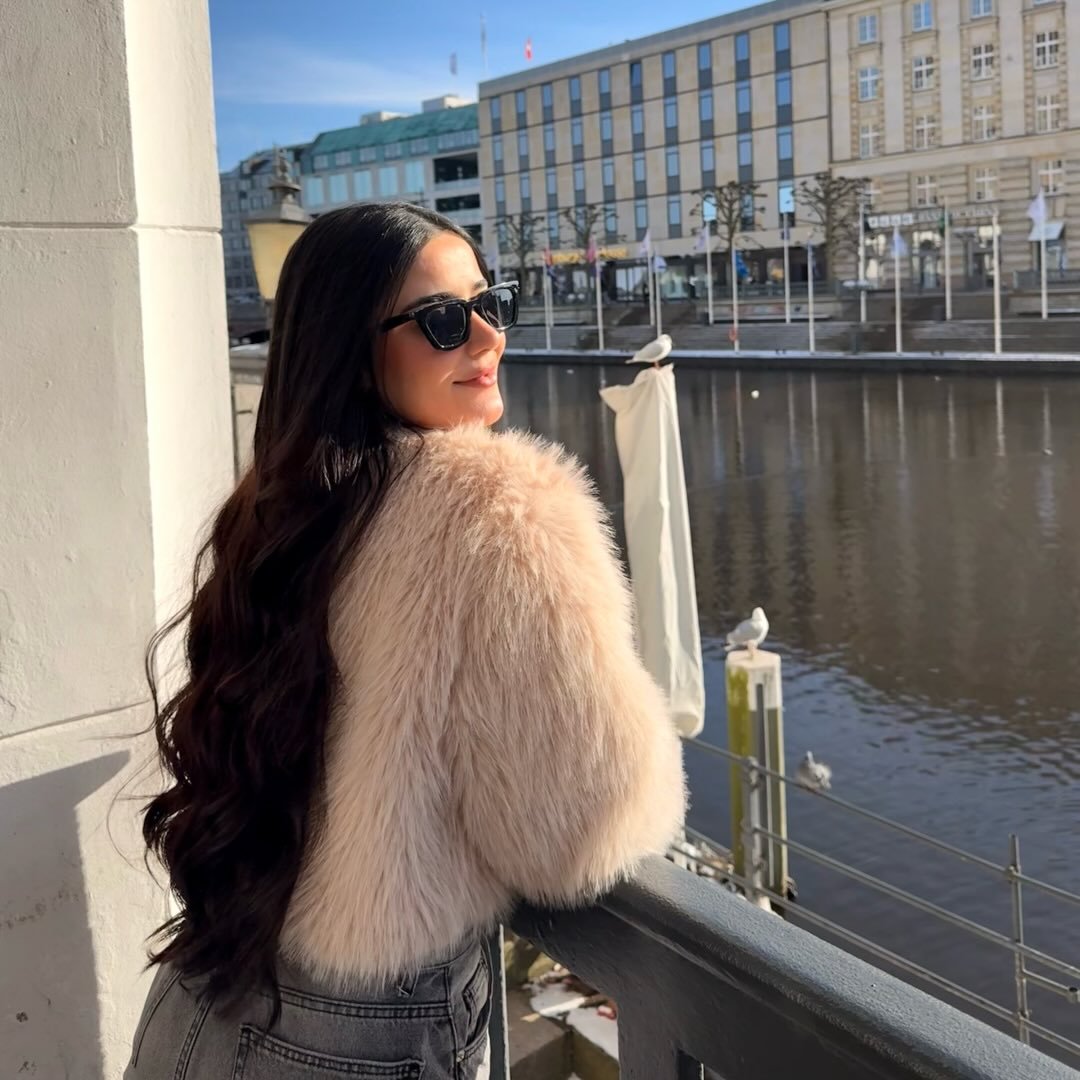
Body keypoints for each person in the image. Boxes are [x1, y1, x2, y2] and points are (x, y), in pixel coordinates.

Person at [125, 202, 687, 1080]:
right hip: (359, 1035)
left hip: (198, 999)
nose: (488, 337)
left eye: (490, 303)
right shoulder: (497, 509)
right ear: (354, 349)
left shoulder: (280, 505)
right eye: (442, 320)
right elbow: (581, 827)